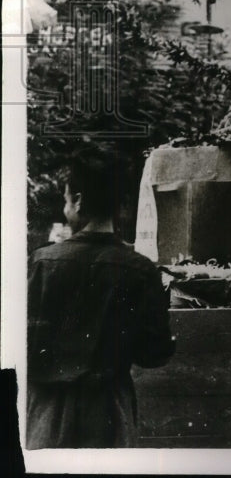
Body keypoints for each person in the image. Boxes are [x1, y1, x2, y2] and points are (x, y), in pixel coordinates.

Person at [27, 144, 175, 448]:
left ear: (78, 201)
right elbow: (154, 353)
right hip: (109, 412)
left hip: (47, 411)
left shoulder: (42, 262)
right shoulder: (141, 270)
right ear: (119, 204)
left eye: (66, 198)